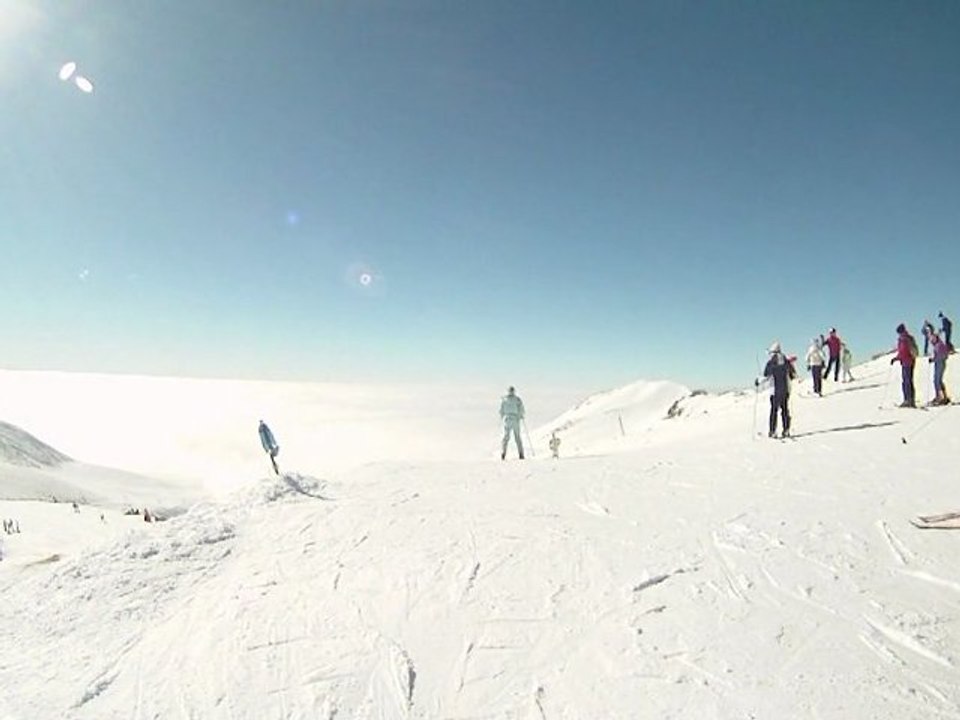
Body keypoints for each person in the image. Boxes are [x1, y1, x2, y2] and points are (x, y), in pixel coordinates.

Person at [759, 342, 796, 438]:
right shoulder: (786, 361)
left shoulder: (771, 362)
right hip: (785, 390)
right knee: (785, 410)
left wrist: (758, 381)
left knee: (774, 411)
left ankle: (772, 431)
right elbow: (792, 375)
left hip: (774, 391)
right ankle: (786, 430)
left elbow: (766, 376)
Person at [891, 323, 919, 408]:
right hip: (907, 362)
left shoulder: (904, 339)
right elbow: (902, 352)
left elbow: (903, 352)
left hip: (907, 362)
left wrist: (896, 358)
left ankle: (908, 400)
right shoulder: (906, 338)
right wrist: (897, 358)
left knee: (907, 382)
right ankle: (910, 400)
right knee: (908, 381)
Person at [499, 386, 525, 460]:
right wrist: (520, 416)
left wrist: (502, 417)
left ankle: (503, 453)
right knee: (517, 437)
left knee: (506, 437)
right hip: (515, 419)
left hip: (507, 419)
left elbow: (501, 410)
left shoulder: (504, 399)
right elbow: (521, 409)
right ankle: (521, 454)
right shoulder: (517, 399)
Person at [929, 330, 952, 405]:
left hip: (940, 364)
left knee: (937, 381)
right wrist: (933, 359)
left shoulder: (939, 345)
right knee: (938, 381)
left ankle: (940, 397)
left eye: (933, 338)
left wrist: (935, 359)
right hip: (938, 363)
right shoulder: (937, 345)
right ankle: (943, 396)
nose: (932, 340)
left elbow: (943, 355)